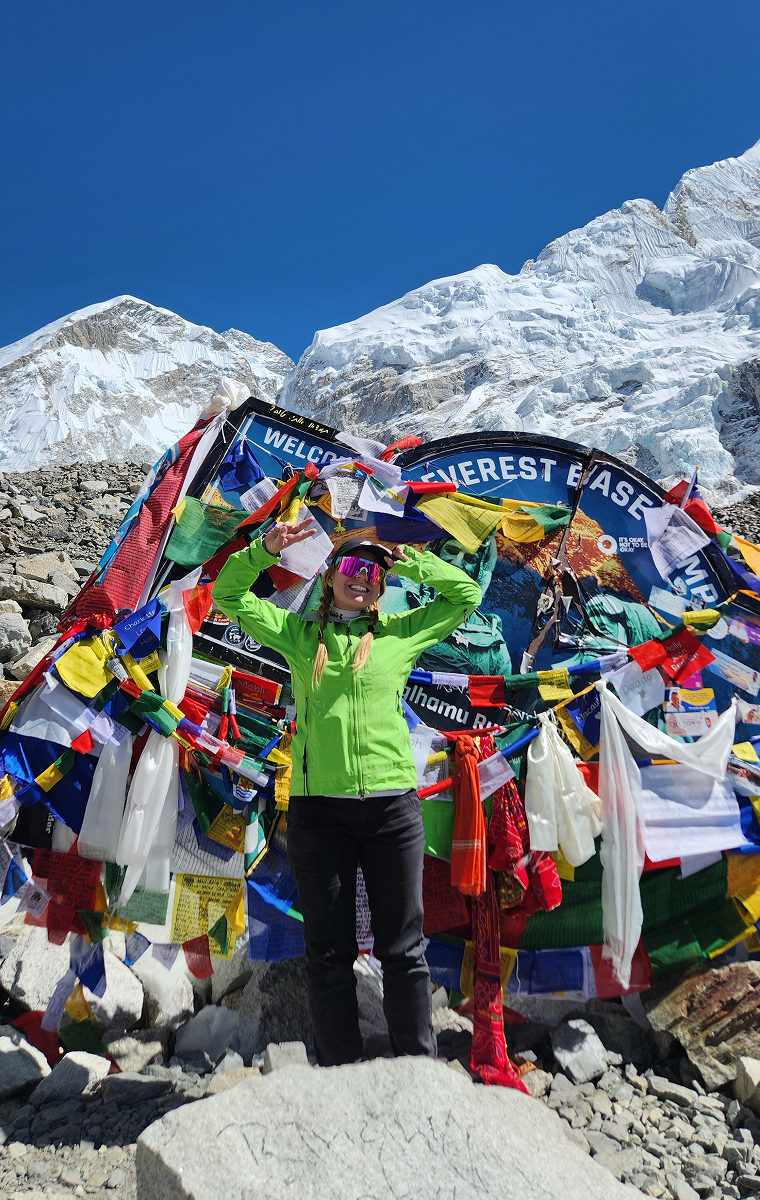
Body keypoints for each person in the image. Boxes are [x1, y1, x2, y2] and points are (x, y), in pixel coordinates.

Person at [212, 521, 481, 1066]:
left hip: (392, 808)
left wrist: (406, 561)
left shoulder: (401, 634)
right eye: (352, 567)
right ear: (331, 577)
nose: (362, 578)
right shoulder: (298, 635)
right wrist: (265, 550)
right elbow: (227, 595)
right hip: (319, 811)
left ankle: (418, 1068)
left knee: (403, 949)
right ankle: (340, 1070)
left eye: (373, 572)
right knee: (329, 952)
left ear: (382, 585)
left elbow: (467, 595)